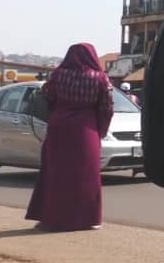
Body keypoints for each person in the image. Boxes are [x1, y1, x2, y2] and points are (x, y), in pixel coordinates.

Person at [26, 42, 113, 232]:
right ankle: (88, 219)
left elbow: (48, 97)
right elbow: (107, 107)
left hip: (59, 127)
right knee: (86, 175)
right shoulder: (100, 78)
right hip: (86, 130)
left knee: (55, 173)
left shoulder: (58, 75)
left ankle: (51, 219)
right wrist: (101, 130)